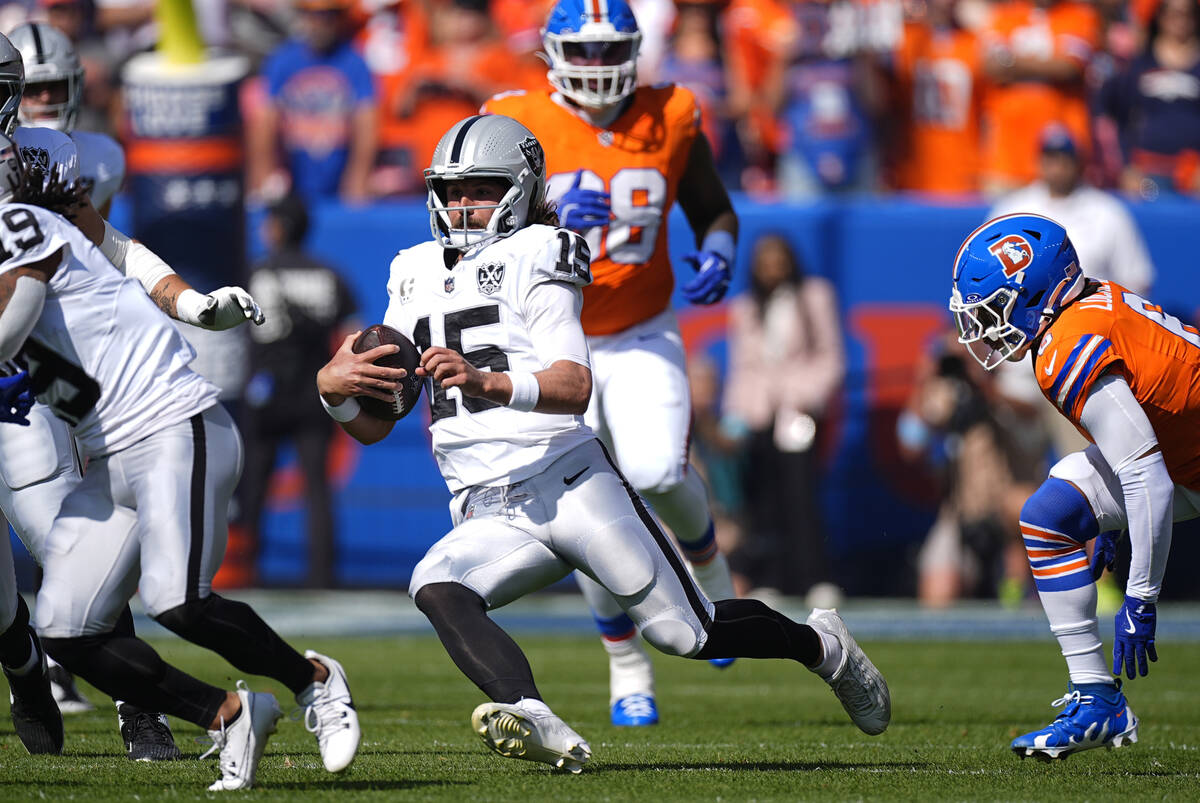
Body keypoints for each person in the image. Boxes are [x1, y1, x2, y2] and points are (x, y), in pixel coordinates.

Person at [316, 113, 890, 772]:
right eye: (448, 190)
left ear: (519, 188)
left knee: (685, 631)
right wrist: (333, 390)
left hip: (571, 482)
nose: (458, 204)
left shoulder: (541, 250)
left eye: (476, 187)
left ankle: (823, 645)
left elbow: (573, 384)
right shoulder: (410, 271)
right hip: (488, 508)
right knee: (436, 584)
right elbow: (378, 420)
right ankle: (533, 712)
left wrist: (487, 380)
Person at [0, 147, 360, 789]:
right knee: (65, 626)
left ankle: (316, 681)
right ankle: (228, 715)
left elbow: (19, 312)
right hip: (107, 455)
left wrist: (192, 304)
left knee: (176, 601)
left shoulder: (21, 223)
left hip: (173, 423)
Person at [483, 0, 742, 728]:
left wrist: (720, 248)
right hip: (556, 337)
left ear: (634, 49)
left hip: (638, 328)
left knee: (659, 473)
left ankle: (713, 578)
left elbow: (713, 207)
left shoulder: (675, 111)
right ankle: (626, 663)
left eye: (611, 52)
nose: (598, 68)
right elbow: (475, 238)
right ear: (553, 53)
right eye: (584, 53)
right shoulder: (514, 119)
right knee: (590, 505)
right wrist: (551, 220)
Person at [949, 212, 1200, 759]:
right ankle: (1097, 701)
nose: (985, 328)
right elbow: (1139, 442)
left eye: (995, 309)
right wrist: (1113, 516)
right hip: (1184, 455)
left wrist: (1140, 597)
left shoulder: (1067, 341)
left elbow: (1147, 479)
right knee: (1048, 516)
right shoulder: (1087, 304)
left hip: (1187, 466)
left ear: (1037, 291)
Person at [241, 193, 358, 588]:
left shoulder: (255, 272)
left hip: (265, 393)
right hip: (315, 391)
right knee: (318, 490)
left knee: (252, 486)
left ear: (279, 226)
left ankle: (244, 568)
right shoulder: (330, 274)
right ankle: (322, 576)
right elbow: (353, 338)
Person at [722, 234, 844, 597]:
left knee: (800, 491)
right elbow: (741, 367)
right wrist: (735, 415)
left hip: (798, 411)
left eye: (778, 259)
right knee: (763, 497)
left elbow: (831, 357)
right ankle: (769, 578)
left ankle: (814, 578)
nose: (772, 267)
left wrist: (808, 395)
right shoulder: (745, 308)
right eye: (765, 260)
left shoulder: (814, 296)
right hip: (759, 414)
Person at [248, 0, 377, 202]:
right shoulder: (283, 60)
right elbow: (264, 123)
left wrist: (357, 178)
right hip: (292, 185)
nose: (319, 23)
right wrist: (264, 177)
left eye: (328, 16)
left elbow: (367, 125)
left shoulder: (355, 62)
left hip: (340, 183)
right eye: (311, 15)